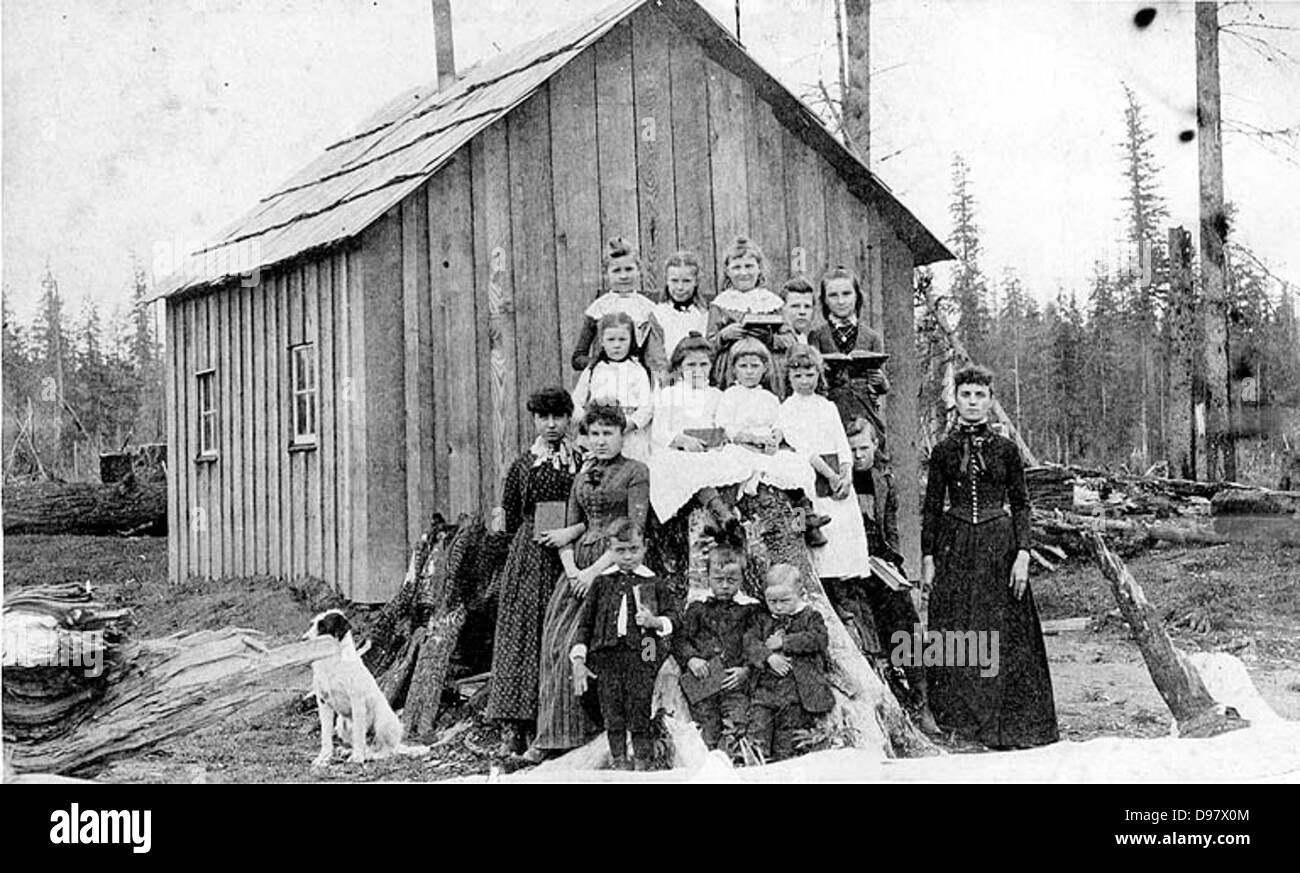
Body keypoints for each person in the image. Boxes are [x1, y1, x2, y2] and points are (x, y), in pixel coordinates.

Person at [921, 365, 1058, 749]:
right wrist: (928, 557)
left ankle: (1006, 724)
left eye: (980, 395)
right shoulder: (944, 450)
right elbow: (931, 507)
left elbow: (1022, 505)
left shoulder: (1007, 450)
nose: (973, 402)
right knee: (959, 629)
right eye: (966, 395)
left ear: (991, 400)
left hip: (1001, 547)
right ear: (956, 400)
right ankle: (962, 722)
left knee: (1003, 632)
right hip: (957, 547)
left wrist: (1024, 554)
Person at [527, 401, 651, 762]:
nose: (600, 441)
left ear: (622, 435)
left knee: (586, 646)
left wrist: (594, 573)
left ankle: (587, 735)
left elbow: (633, 530)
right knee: (554, 644)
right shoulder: (582, 474)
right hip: (577, 567)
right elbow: (572, 526)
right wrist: (572, 571)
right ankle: (551, 736)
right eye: (594, 434)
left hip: (615, 566)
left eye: (608, 433)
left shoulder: (635, 472)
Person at [486, 387, 584, 755]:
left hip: (571, 550)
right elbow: (510, 514)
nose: (552, 424)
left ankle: (553, 725)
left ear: (569, 417)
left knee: (559, 632)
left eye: (558, 416)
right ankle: (515, 725)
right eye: (544, 417)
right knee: (523, 632)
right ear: (534, 420)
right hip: (531, 554)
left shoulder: (581, 460)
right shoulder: (524, 464)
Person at [840, 417, 939, 734]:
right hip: (846, 566)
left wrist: (893, 562)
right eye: (852, 449)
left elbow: (890, 531)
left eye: (864, 448)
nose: (858, 456)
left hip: (879, 565)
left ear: (875, 446)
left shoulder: (884, 481)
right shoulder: (833, 480)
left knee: (904, 618)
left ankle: (922, 701)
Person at [570, 519, 676, 770]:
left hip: (644, 654)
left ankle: (642, 763)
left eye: (633, 549)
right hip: (606, 657)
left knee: (640, 711)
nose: (628, 556)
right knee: (612, 712)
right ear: (610, 549)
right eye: (620, 550)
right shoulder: (601, 583)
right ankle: (619, 762)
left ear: (645, 547)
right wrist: (579, 658)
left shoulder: (653, 582)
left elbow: (673, 620)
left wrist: (654, 622)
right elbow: (585, 624)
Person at [776, 344, 872, 578]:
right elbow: (804, 448)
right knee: (817, 540)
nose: (805, 381)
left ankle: (845, 586)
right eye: (797, 376)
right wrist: (830, 475)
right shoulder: (787, 409)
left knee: (843, 533)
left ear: (819, 374)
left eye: (810, 375)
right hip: (811, 474)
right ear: (789, 377)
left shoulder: (827, 406)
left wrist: (847, 474)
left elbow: (841, 442)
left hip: (837, 473)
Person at [674, 538, 757, 760]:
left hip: (734, 684)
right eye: (718, 579)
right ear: (708, 577)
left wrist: (746, 670)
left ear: (742, 578)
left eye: (732, 579)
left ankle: (735, 764)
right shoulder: (698, 607)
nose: (725, 585)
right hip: (704, 682)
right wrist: (691, 659)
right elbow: (681, 639)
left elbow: (757, 644)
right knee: (705, 730)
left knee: (737, 725)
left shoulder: (749, 609)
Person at [744, 564, 834, 762]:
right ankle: (756, 765)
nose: (777, 606)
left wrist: (785, 642)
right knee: (758, 731)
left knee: (788, 740)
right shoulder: (761, 619)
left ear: (800, 594)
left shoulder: (810, 616)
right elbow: (750, 642)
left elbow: (819, 639)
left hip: (796, 694)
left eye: (784, 600)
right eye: (772, 601)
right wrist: (769, 656)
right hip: (765, 692)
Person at [809, 265, 890, 431]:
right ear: (824, 300)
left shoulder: (872, 337)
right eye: (833, 295)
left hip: (865, 414)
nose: (841, 301)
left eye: (846, 294)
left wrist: (881, 381)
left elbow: (880, 387)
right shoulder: (817, 335)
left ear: (857, 296)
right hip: (830, 413)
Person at [705, 236, 795, 384]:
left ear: (759, 269)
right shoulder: (721, 304)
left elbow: (791, 341)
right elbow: (708, 347)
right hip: (730, 370)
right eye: (736, 267)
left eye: (749, 266)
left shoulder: (772, 303)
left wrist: (771, 339)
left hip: (768, 369)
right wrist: (724, 335)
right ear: (727, 271)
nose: (743, 273)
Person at [571, 311, 653, 462]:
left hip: (629, 437)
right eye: (611, 339)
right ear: (601, 341)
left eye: (622, 339)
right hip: (599, 435)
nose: (617, 345)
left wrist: (628, 425)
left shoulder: (637, 370)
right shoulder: (593, 369)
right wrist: (589, 423)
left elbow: (646, 407)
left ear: (631, 340)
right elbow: (576, 402)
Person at [571, 237, 656, 372]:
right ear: (606, 274)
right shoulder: (598, 308)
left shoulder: (649, 308)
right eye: (616, 271)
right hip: (605, 378)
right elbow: (578, 358)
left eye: (629, 269)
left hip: (639, 379)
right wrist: (601, 365)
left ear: (639, 270)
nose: (623, 276)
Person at [645, 251, 708, 379]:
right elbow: (655, 355)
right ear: (667, 281)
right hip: (667, 379)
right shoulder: (658, 313)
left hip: (698, 377)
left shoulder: (703, 314)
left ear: (696, 282)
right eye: (674, 281)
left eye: (686, 281)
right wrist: (668, 378)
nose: (680, 287)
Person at [772, 277, 819, 396]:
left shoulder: (811, 339)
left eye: (807, 307)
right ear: (781, 309)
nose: (802, 312)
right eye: (795, 306)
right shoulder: (777, 341)